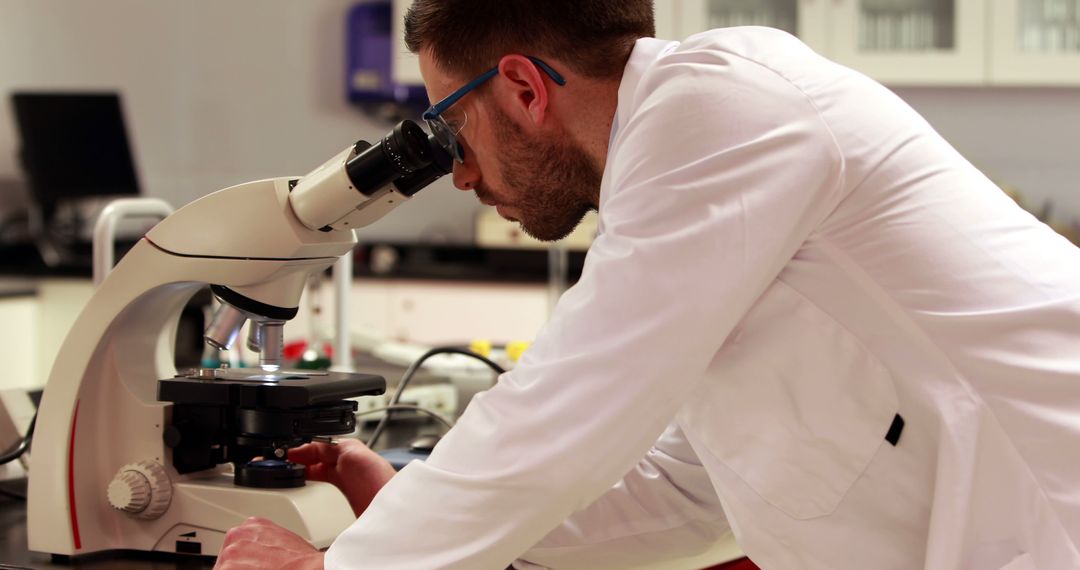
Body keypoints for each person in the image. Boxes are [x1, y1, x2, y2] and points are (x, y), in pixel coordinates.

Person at [214, 1, 1080, 568]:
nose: (461, 174)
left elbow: (573, 403)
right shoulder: (697, 166)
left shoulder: (719, 111)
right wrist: (407, 514)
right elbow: (688, 488)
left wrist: (343, 567)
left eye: (452, 127)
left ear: (521, 85)